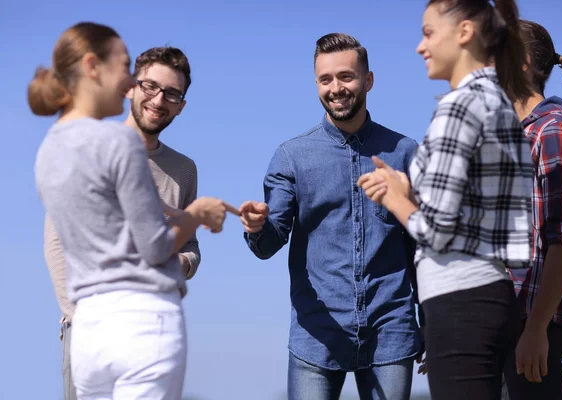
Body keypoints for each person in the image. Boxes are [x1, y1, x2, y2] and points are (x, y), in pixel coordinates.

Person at [30, 22, 238, 400]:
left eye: (171, 94)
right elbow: (59, 244)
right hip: (123, 324)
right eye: (147, 85)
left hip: (100, 327)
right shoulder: (111, 144)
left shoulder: (54, 146)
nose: (158, 100)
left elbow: (185, 248)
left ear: (182, 105)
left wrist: (183, 258)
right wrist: (196, 214)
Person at [358, 1, 534, 399]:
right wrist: (412, 188)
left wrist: (396, 197)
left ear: (465, 32)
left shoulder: (457, 107)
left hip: (459, 300)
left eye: (428, 32)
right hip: (492, 293)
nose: (421, 47)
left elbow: (436, 231)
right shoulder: (498, 100)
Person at [239, 33, 422, 400]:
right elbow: (270, 241)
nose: (336, 88)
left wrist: (431, 322)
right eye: (325, 79)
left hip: (391, 331)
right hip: (316, 335)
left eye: (346, 77)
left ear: (368, 81)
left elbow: (422, 246)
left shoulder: (406, 152)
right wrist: (257, 227)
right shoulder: (291, 156)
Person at [502, 19, 562, 400]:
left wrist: (537, 329)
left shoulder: (553, 130)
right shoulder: (518, 134)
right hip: (510, 323)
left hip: (532, 321)